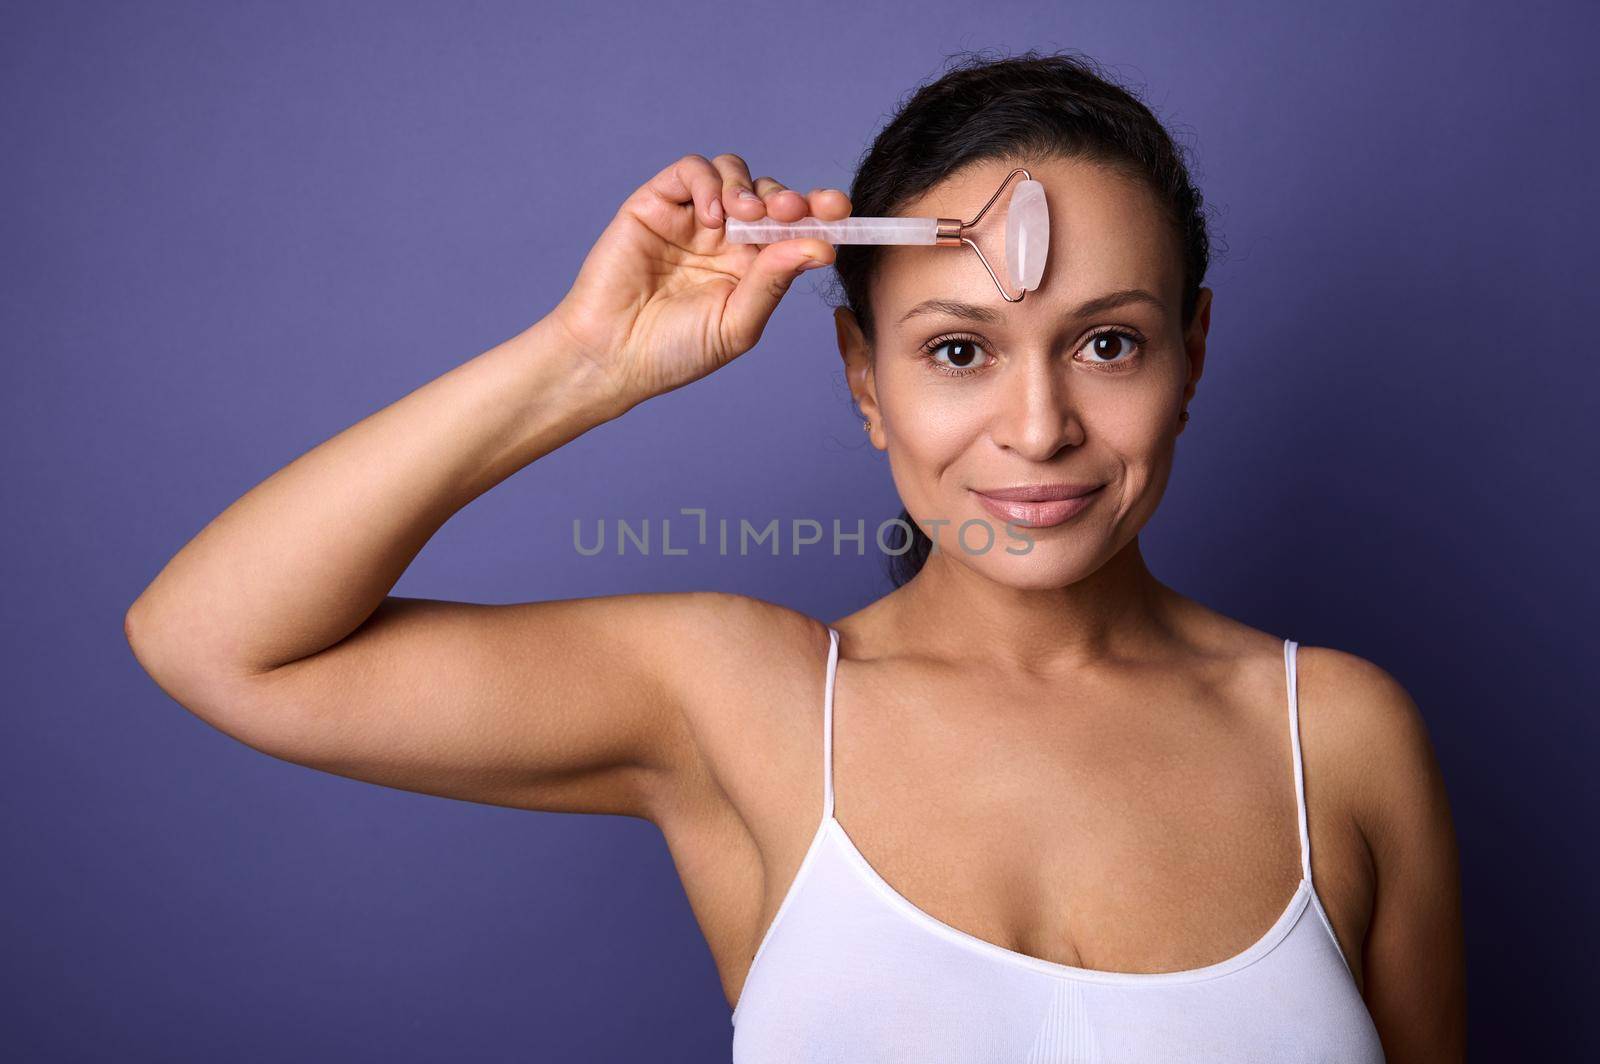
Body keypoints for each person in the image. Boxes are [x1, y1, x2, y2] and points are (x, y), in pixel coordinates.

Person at [125, 50, 1466, 1062]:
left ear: (1193, 355)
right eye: (957, 352)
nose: (1042, 425)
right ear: (863, 380)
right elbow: (213, 643)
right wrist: (586, 362)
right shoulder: (744, 703)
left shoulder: (1337, 735)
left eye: (1109, 342)